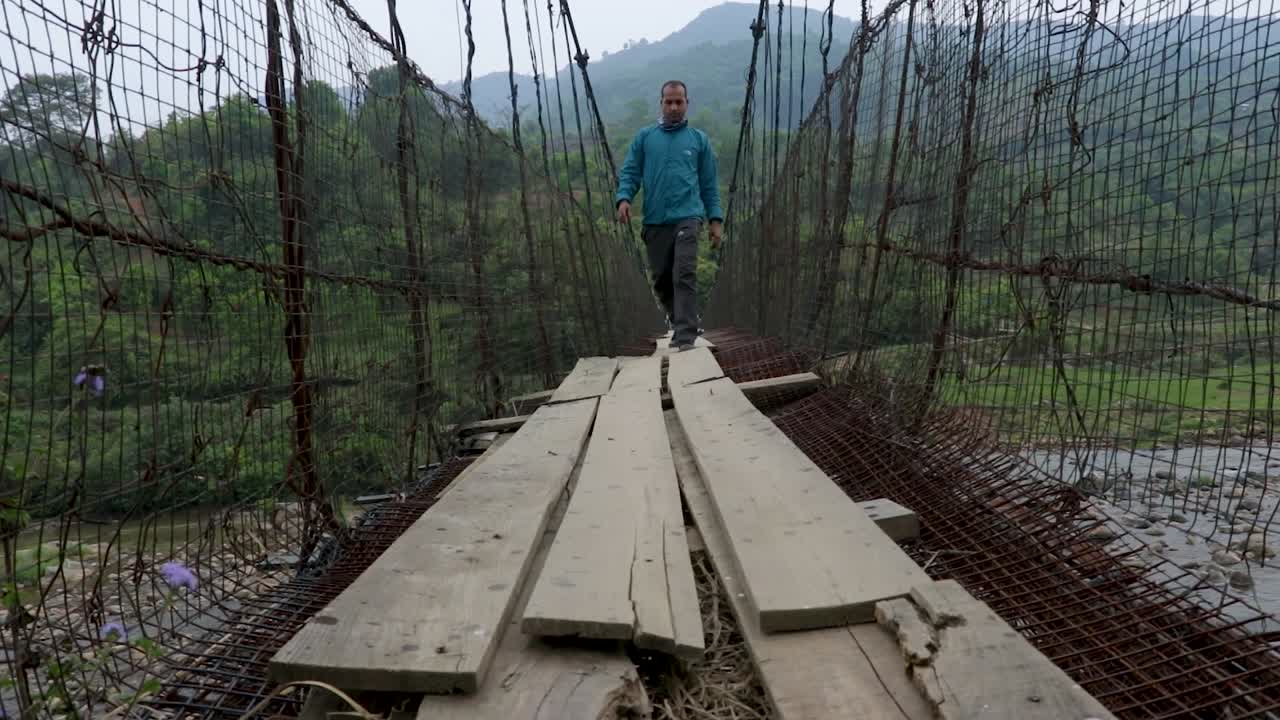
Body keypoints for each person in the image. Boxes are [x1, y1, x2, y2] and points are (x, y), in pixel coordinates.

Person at [614, 80, 723, 351]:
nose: (674, 106)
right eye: (669, 101)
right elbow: (630, 171)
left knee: (683, 272)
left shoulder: (699, 140)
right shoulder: (645, 138)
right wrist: (624, 198)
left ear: (687, 103)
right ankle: (679, 320)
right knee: (662, 278)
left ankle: (686, 335)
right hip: (655, 219)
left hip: (688, 216)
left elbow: (709, 184)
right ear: (661, 103)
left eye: (679, 102)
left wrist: (715, 220)